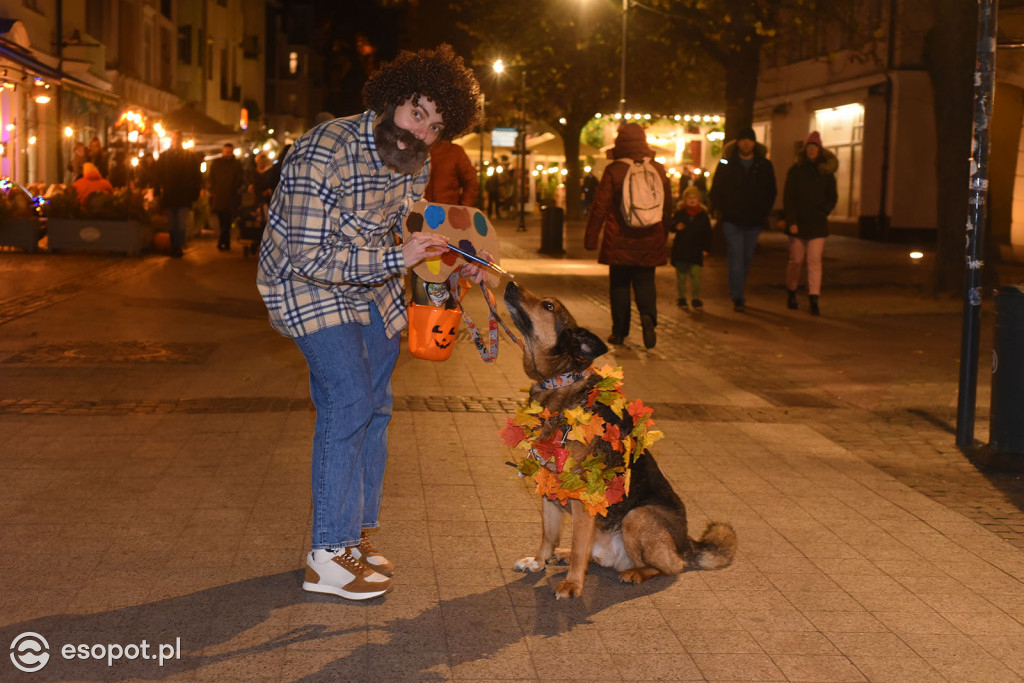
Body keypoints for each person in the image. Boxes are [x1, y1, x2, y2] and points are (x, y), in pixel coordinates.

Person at [256, 44, 485, 601]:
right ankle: (327, 553)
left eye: (435, 126)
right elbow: (309, 258)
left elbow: (396, 229)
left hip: (373, 289)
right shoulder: (323, 149)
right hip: (306, 287)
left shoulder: (418, 161)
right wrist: (396, 259)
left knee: (377, 405)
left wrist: (446, 258)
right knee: (349, 402)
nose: (420, 133)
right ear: (390, 100)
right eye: (415, 113)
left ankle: (353, 535)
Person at [584, 123, 671, 349]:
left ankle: (620, 332)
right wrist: (665, 233)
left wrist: (591, 238)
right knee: (646, 280)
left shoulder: (614, 170)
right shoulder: (659, 169)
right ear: (644, 141)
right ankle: (648, 317)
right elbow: (668, 206)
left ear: (619, 142)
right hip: (651, 237)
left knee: (619, 284)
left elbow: (600, 207)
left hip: (619, 238)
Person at [709, 127, 776, 312]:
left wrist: (764, 211)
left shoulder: (763, 165)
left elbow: (771, 190)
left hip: (754, 219)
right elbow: (717, 187)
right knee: (736, 257)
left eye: (749, 140)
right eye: (743, 139)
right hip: (732, 219)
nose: (746, 143)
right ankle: (737, 296)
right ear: (738, 143)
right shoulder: (727, 164)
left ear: (754, 143)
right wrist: (719, 208)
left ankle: (738, 290)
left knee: (747, 258)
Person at [783, 131, 838, 316]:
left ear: (820, 150)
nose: (812, 150)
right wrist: (791, 221)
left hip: (817, 223)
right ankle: (791, 291)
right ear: (805, 149)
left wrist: (824, 210)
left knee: (814, 261)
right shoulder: (796, 171)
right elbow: (789, 197)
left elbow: (833, 196)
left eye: (815, 147)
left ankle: (814, 297)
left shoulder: (826, 172)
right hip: (798, 223)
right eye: (809, 147)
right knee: (796, 260)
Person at [154, 130, 202, 258]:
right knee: (172, 223)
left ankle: (177, 246)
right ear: (172, 140)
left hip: (183, 196)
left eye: (178, 139)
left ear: (181, 141)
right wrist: (157, 191)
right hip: (170, 195)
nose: (176, 141)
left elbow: (196, 177)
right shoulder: (164, 156)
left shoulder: (189, 157)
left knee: (180, 223)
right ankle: (174, 245)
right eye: (174, 139)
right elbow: (158, 175)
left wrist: (194, 193)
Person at [669, 185, 713, 311]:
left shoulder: (702, 215)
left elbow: (708, 233)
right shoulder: (680, 213)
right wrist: (676, 226)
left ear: (698, 199)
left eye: (694, 197)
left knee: (696, 277)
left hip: (695, 251)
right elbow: (671, 226)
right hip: (681, 251)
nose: (692, 200)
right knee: (681, 277)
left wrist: (706, 249)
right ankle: (682, 297)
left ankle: (695, 298)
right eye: (689, 198)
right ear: (685, 200)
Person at [207, 142, 244, 251]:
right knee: (222, 220)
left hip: (230, 197)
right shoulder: (216, 163)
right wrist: (212, 190)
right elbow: (211, 177)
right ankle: (225, 241)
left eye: (230, 151)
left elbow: (239, 179)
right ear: (223, 151)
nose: (228, 153)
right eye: (226, 151)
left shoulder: (236, 164)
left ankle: (223, 241)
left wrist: (234, 189)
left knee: (227, 221)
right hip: (219, 197)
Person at [423, 139, 478, 206]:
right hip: (421, 210)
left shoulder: (455, 152)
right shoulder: (417, 150)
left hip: (447, 211)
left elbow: (471, 183)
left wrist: (463, 208)